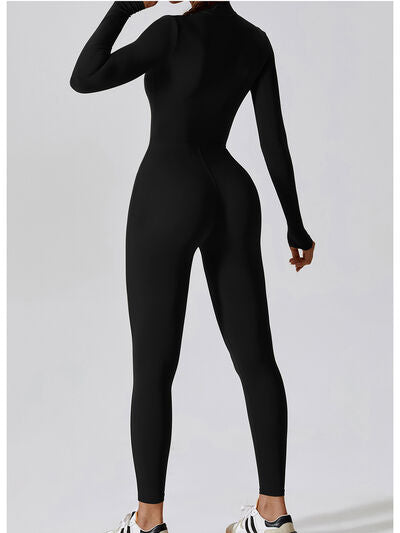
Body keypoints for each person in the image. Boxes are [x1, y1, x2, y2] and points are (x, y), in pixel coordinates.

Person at [70, 1, 315, 532]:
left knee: (153, 369)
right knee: (258, 360)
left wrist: (123, 8)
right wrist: (295, 224)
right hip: (233, 193)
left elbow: (84, 78)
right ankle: (274, 514)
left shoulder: (171, 33)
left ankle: (148, 521)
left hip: (168, 190)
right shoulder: (255, 41)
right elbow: (273, 138)